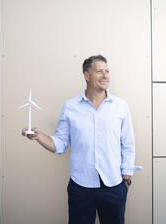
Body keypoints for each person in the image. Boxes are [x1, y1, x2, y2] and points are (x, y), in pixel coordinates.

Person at [22, 55, 135, 224]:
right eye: (99, 71)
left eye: (107, 71)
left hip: (114, 186)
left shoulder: (121, 107)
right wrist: (39, 136)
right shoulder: (70, 107)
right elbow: (60, 144)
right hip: (81, 187)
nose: (105, 76)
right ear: (87, 75)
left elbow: (128, 144)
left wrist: (126, 180)